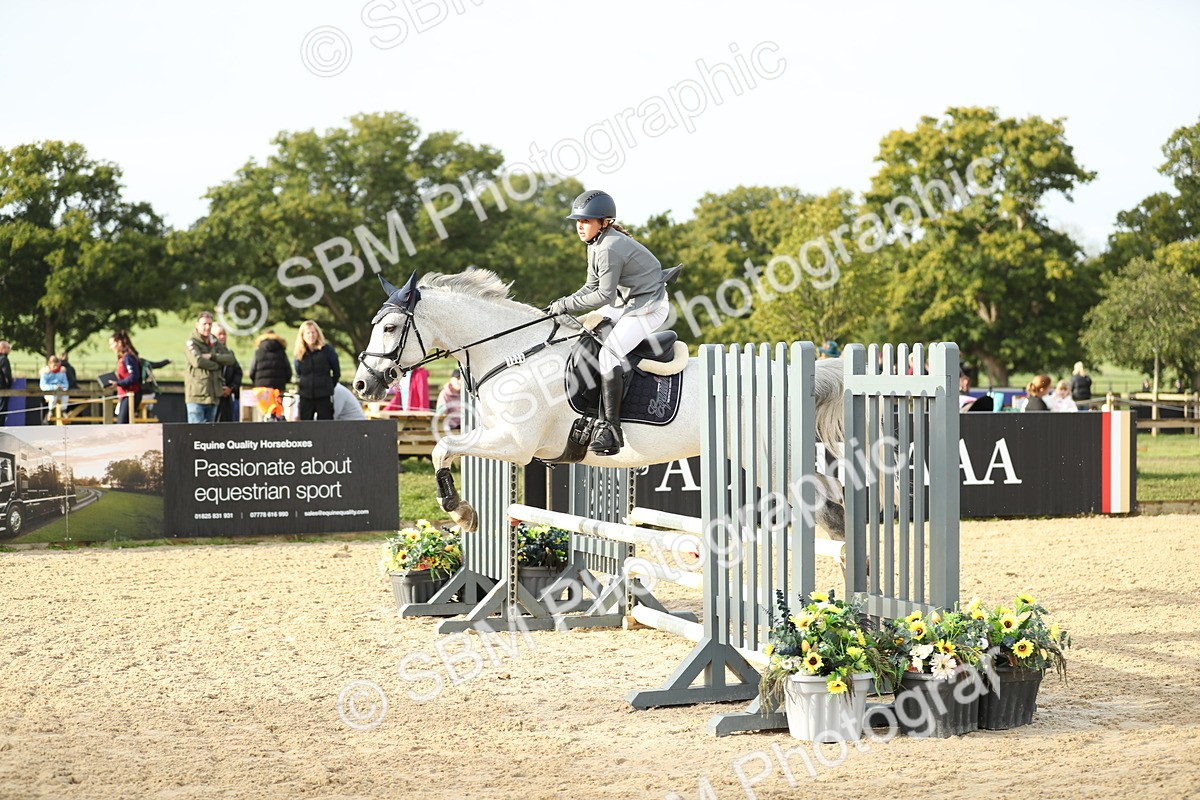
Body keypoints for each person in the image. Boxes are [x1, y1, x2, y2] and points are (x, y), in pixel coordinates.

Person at [546, 190, 669, 455]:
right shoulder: (595, 245)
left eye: (586, 221)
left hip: (648, 307)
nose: (580, 226)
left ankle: (611, 429)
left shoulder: (609, 247)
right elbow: (589, 287)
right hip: (626, 303)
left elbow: (603, 295)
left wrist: (565, 305)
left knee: (608, 354)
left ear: (604, 222)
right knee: (585, 330)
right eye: (578, 221)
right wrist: (562, 303)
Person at [185, 311, 236, 423]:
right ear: (197, 325)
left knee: (210, 433)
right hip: (197, 397)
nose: (207, 327)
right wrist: (217, 365)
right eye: (204, 324)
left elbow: (231, 359)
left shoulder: (214, 342)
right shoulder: (192, 342)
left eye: (210, 324)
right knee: (195, 431)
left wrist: (212, 356)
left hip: (213, 396)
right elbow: (198, 361)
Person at [293, 320, 340, 420]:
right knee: (305, 426)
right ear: (302, 336)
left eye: (313, 332)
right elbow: (298, 372)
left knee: (325, 425)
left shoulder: (327, 350)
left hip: (324, 395)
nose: (311, 335)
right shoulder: (299, 353)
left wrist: (329, 385)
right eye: (308, 333)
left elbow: (336, 372)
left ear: (318, 333)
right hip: (305, 396)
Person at [106, 331, 142, 424]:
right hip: (125, 395)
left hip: (130, 394)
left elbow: (134, 376)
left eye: (112, 344)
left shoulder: (128, 357)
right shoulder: (122, 357)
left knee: (122, 424)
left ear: (119, 343)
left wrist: (118, 383)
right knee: (123, 424)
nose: (110, 347)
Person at [211, 323, 243, 422]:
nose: (222, 337)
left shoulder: (229, 353)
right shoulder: (209, 354)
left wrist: (231, 387)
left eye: (224, 334)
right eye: (219, 334)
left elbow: (238, 372)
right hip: (212, 396)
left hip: (226, 397)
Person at [40, 355, 70, 424]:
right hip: (49, 393)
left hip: (60, 392)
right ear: (49, 364)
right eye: (54, 366)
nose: (56, 367)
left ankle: (63, 410)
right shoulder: (45, 373)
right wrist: (54, 387)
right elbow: (43, 386)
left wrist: (62, 387)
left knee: (66, 395)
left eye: (57, 365)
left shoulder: (62, 372)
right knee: (53, 396)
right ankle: (51, 410)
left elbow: (66, 384)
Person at [0, 341, 13, 425]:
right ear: (3, 349)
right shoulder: (4, 359)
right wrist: (9, 385)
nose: (9, 350)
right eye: (8, 348)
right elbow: (7, 375)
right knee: (2, 410)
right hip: (2, 389)